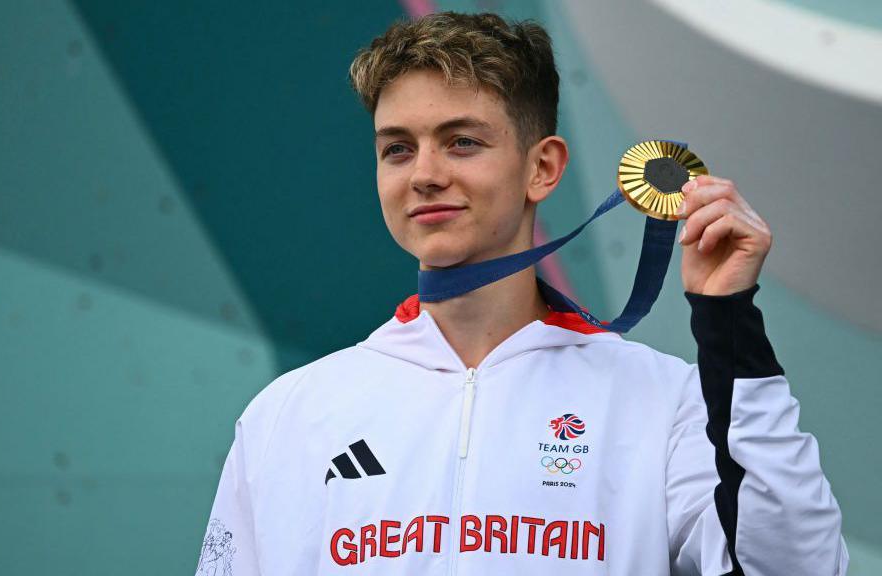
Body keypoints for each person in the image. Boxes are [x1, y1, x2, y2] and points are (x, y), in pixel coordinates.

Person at [195, 11, 847, 575]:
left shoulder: (660, 402)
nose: (424, 175)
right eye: (397, 149)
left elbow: (795, 567)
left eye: (462, 142)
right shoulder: (290, 415)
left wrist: (728, 321)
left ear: (544, 167)